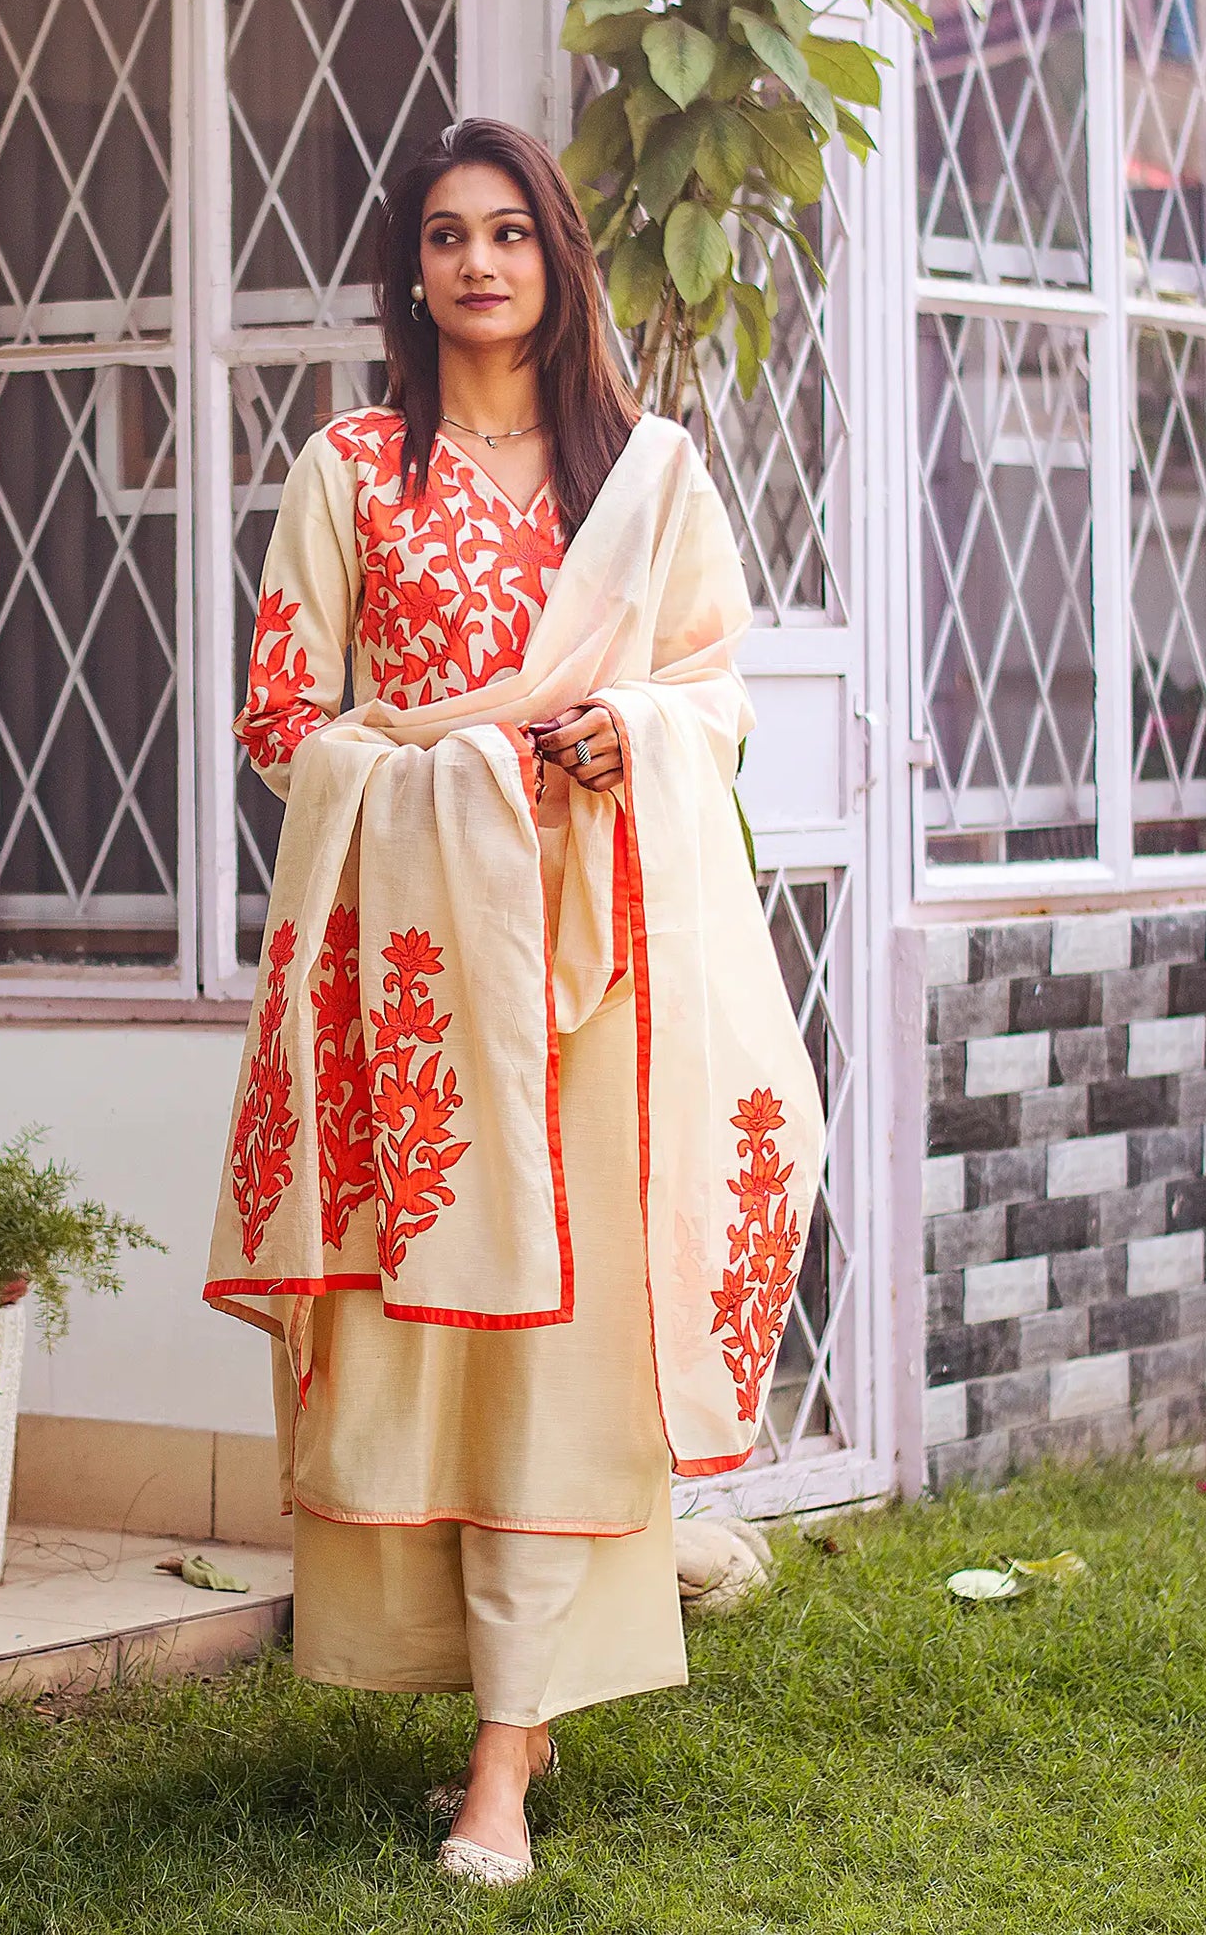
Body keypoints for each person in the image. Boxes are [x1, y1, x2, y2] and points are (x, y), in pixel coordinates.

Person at [203, 118, 824, 1888]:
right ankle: (481, 1681)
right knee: (429, 1351)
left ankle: (504, 1760)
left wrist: (626, 731)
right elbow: (278, 722)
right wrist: (435, 775)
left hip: (592, 982)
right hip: (414, 974)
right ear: (411, 269)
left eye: (511, 233)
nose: (479, 262)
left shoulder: (644, 471)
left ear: (557, 257)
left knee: (560, 1366)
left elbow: (713, 688)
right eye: (444, 235)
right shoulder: (351, 467)